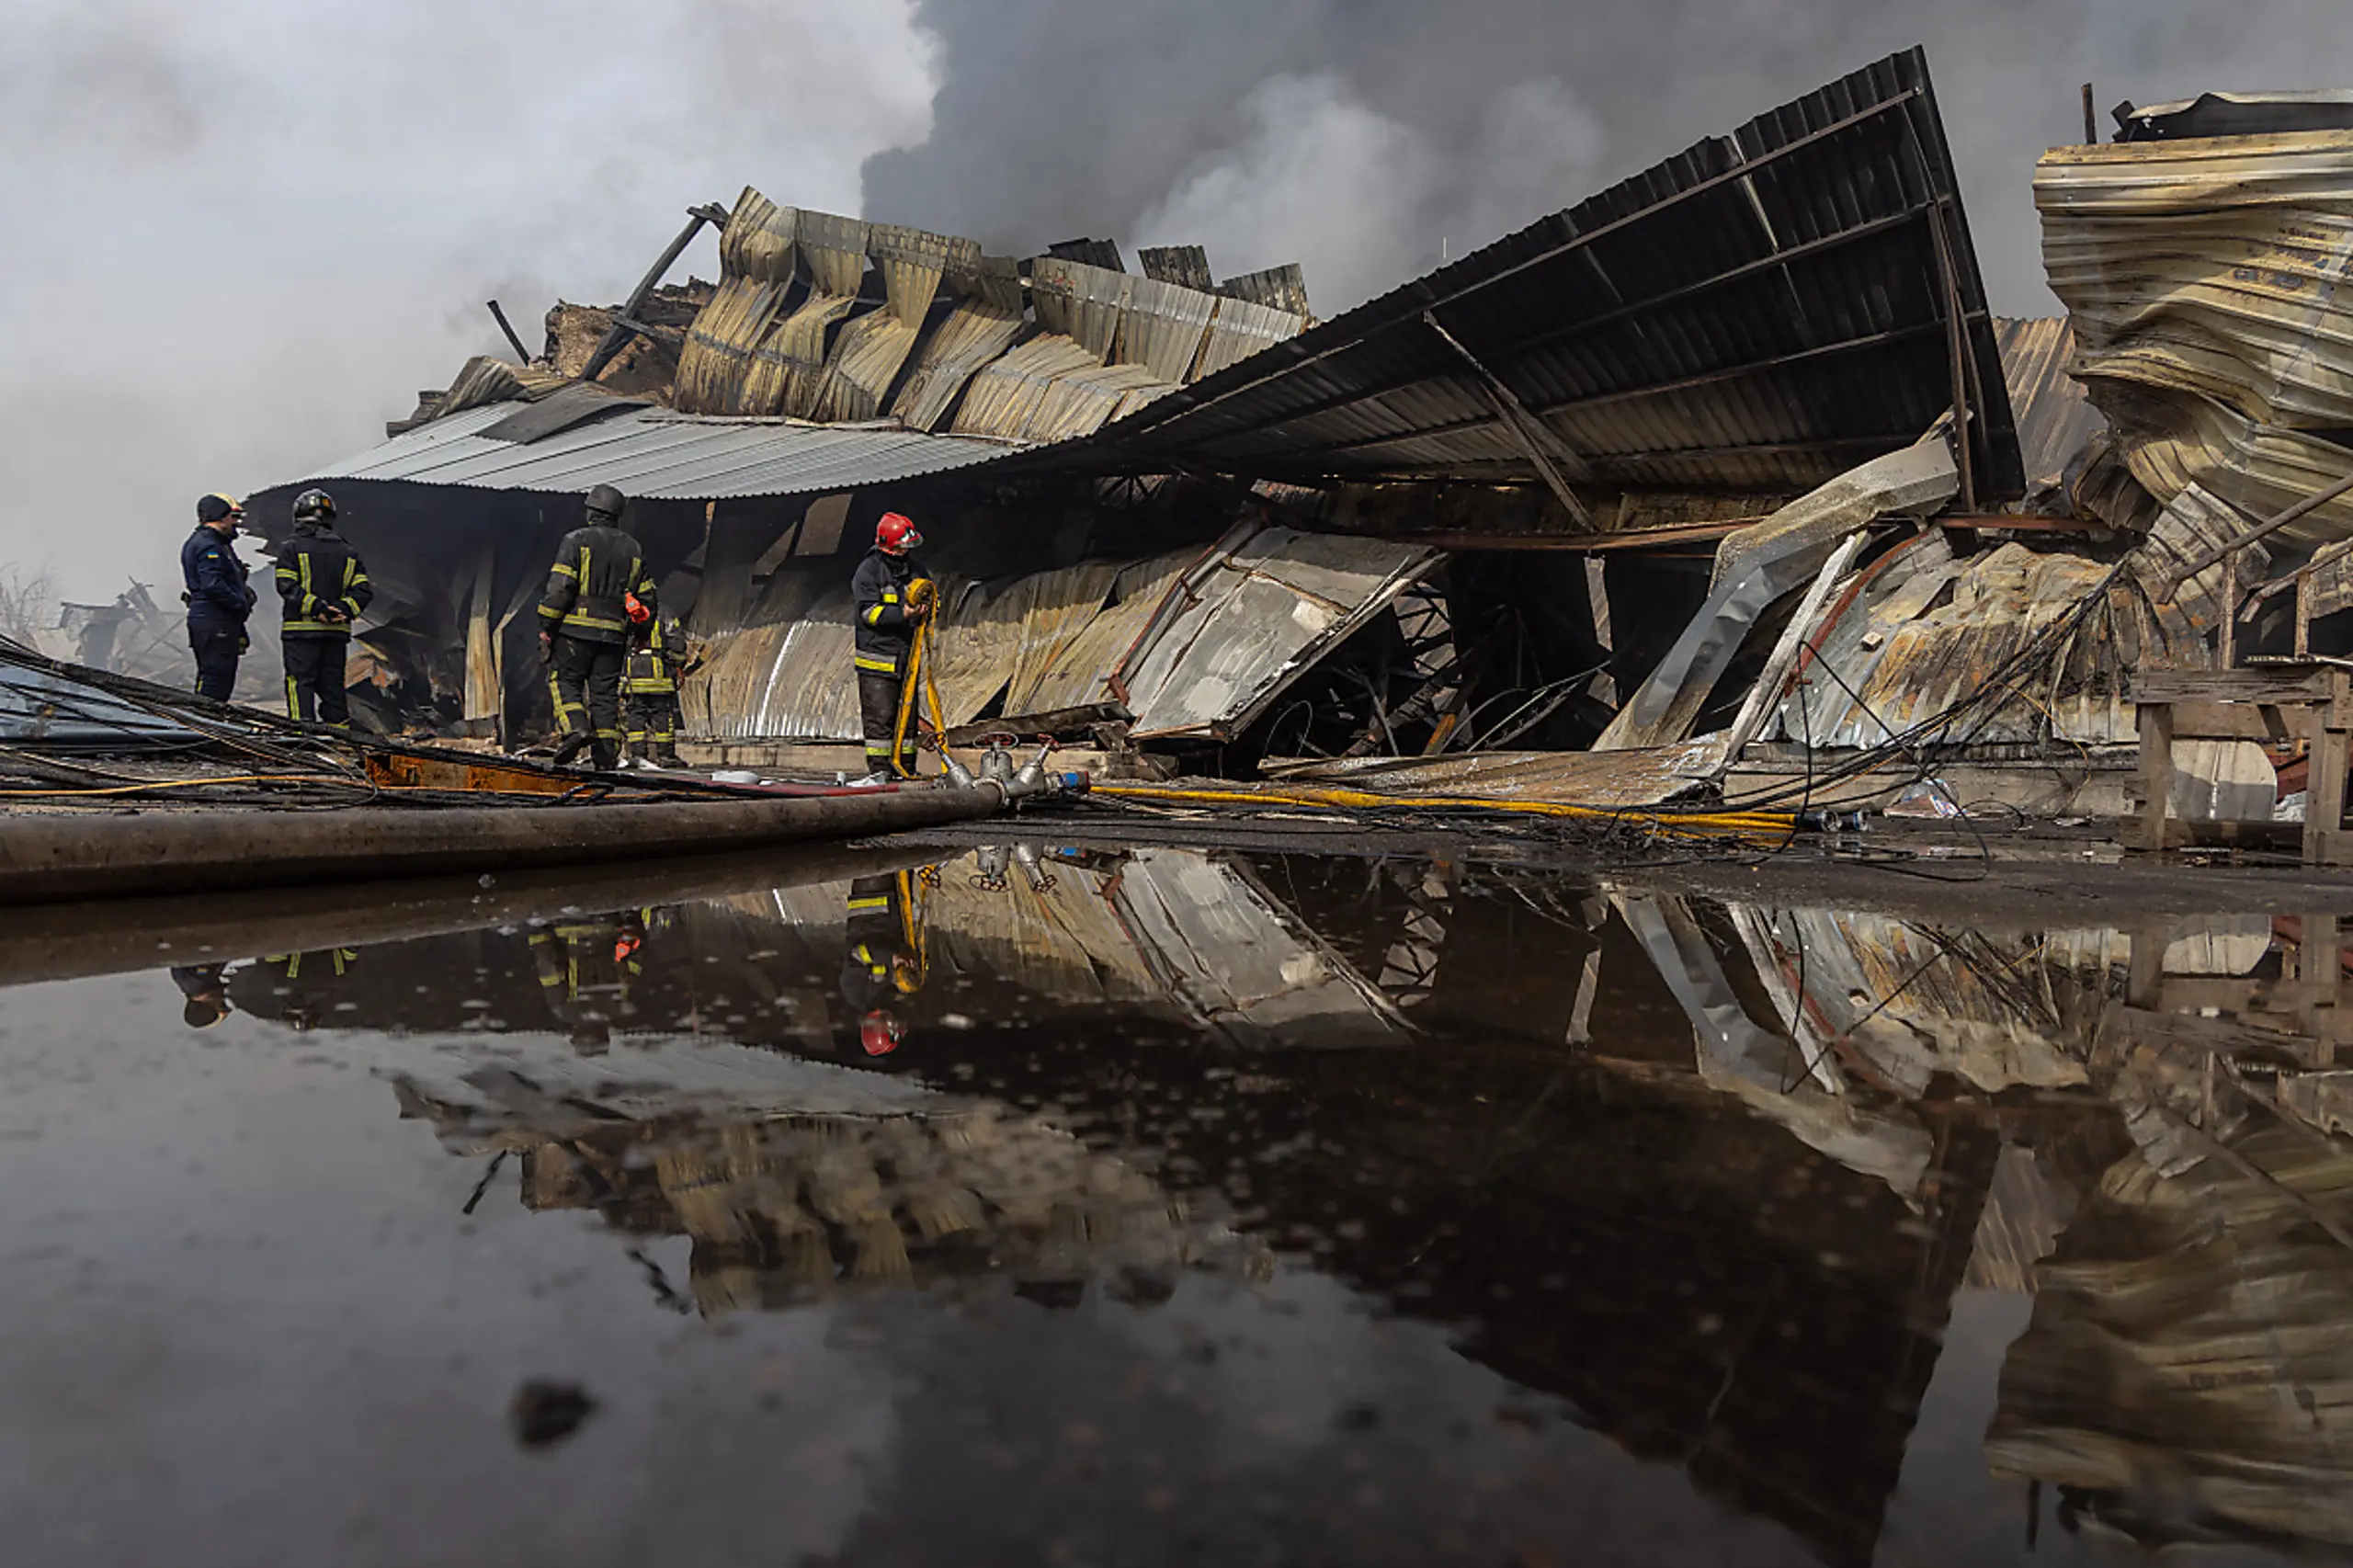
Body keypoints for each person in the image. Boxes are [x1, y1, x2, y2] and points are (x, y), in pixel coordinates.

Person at [538, 483, 656, 770]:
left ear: (591, 511)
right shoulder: (633, 548)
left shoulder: (575, 540)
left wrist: (546, 623)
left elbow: (560, 589)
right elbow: (648, 598)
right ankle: (605, 758)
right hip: (614, 635)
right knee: (604, 696)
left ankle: (576, 729)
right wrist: (641, 634)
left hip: (575, 631)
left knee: (564, 682)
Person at [850, 512, 936, 784]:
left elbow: (929, 590)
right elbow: (869, 614)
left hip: (906, 659)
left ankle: (906, 770)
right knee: (881, 722)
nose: (906, 551)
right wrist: (904, 613)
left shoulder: (915, 569)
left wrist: (930, 604)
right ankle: (880, 773)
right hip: (877, 661)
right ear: (888, 544)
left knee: (907, 721)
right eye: (902, 545)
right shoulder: (869, 572)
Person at [275, 488, 372, 727]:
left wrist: (318, 607)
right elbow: (363, 592)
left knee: (300, 684)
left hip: (301, 631)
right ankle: (340, 736)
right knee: (333, 686)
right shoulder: (349, 552)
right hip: (335, 633)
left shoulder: (291, 548)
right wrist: (342, 609)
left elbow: (286, 586)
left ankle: (302, 735)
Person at [180, 494, 256, 701]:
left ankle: (206, 723)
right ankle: (204, 725)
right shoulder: (209, 546)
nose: (236, 524)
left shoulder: (217, 544)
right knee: (215, 680)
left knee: (217, 678)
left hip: (216, 621)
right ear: (220, 517)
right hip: (215, 622)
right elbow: (213, 585)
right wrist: (240, 604)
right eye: (233, 518)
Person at [839, 871, 923, 1057]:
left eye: (897, 1032)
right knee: (905, 857)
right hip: (893, 909)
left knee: (877, 855)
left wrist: (891, 958)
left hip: (871, 899)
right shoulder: (887, 995)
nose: (903, 1027)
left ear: (887, 1028)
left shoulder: (855, 991)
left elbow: (859, 954)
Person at [622, 609, 702, 768]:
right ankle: (666, 756)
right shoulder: (664, 616)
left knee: (635, 719)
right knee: (662, 719)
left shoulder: (624, 612)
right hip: (659, 679)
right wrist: (676, 665)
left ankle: (638, 756)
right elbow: (678, 646)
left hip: (632, 678)